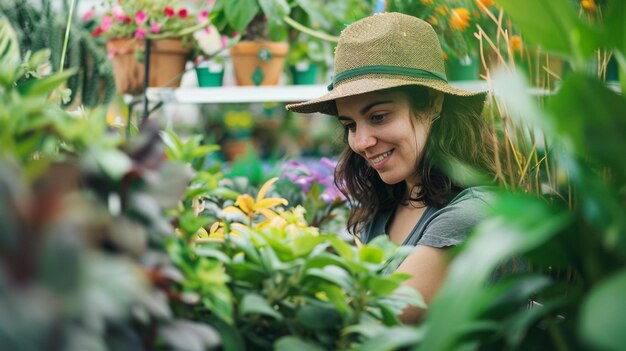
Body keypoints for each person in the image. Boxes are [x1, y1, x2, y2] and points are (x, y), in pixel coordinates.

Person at [286, 12, 496, 323]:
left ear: (433, 103)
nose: (361, 142)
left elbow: (373, 317)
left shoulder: (471, 214)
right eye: (350, 125)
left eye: (379, 116)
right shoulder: (383, 209)